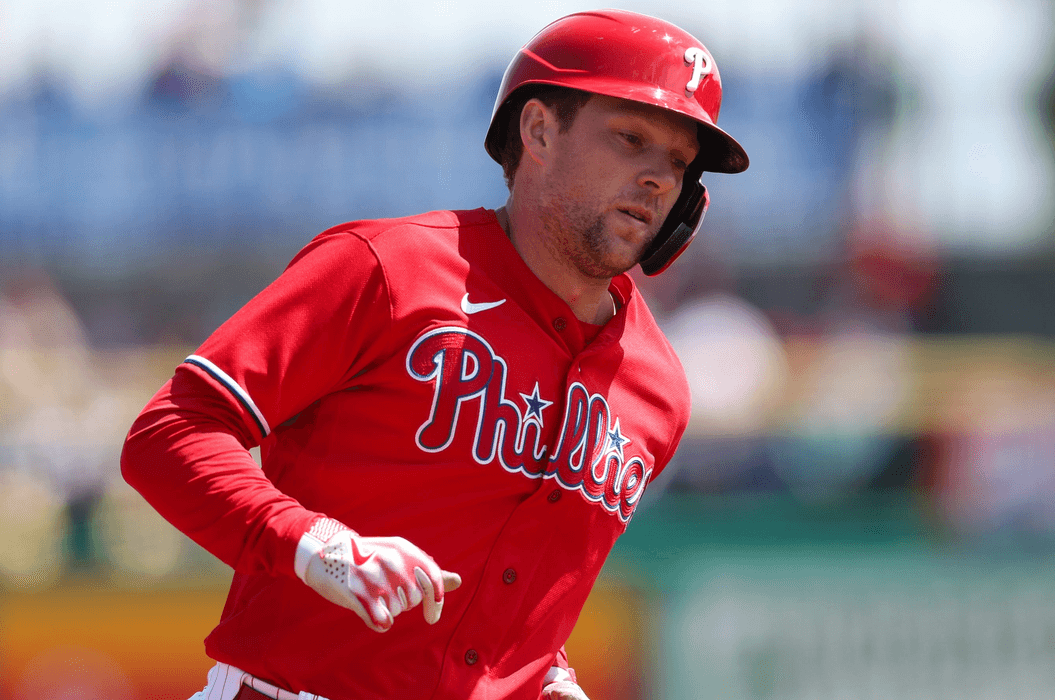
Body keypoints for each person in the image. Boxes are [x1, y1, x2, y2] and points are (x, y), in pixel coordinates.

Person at [121, 9, 748, 700]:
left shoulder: (656, 387)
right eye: (630, 139)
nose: (658, 178)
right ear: (538, 130)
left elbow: (511, 590)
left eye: (678, 162)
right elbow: (171, 431)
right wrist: (309, 542)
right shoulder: (387, 269)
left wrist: (546, 675)